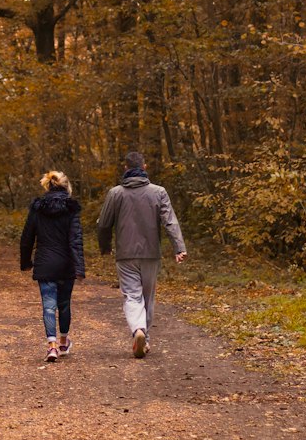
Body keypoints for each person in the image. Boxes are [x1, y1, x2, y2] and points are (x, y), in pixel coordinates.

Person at [96, 150, 186, 358]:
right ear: (144, 168)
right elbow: (170, 221)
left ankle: (138, 330)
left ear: (126, 168)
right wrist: (179, 248)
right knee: (148, 298)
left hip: (125, 254)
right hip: (151, 253)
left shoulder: (115, 193)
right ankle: (145, 339)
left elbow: (103, 224)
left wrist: (105, 246)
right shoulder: (159, 192)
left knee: (132, 296)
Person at [20, 169, 86, 363]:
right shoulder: (71, 209)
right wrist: (79, 267)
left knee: (49, 306)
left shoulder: (38, 209)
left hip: (45, 263)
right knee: (64, 305)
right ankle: (64, 342)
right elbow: (75, 240)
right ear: (66, 186)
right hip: (66, 265)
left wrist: (25, 262)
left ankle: (52, 346)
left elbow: (27, 238)